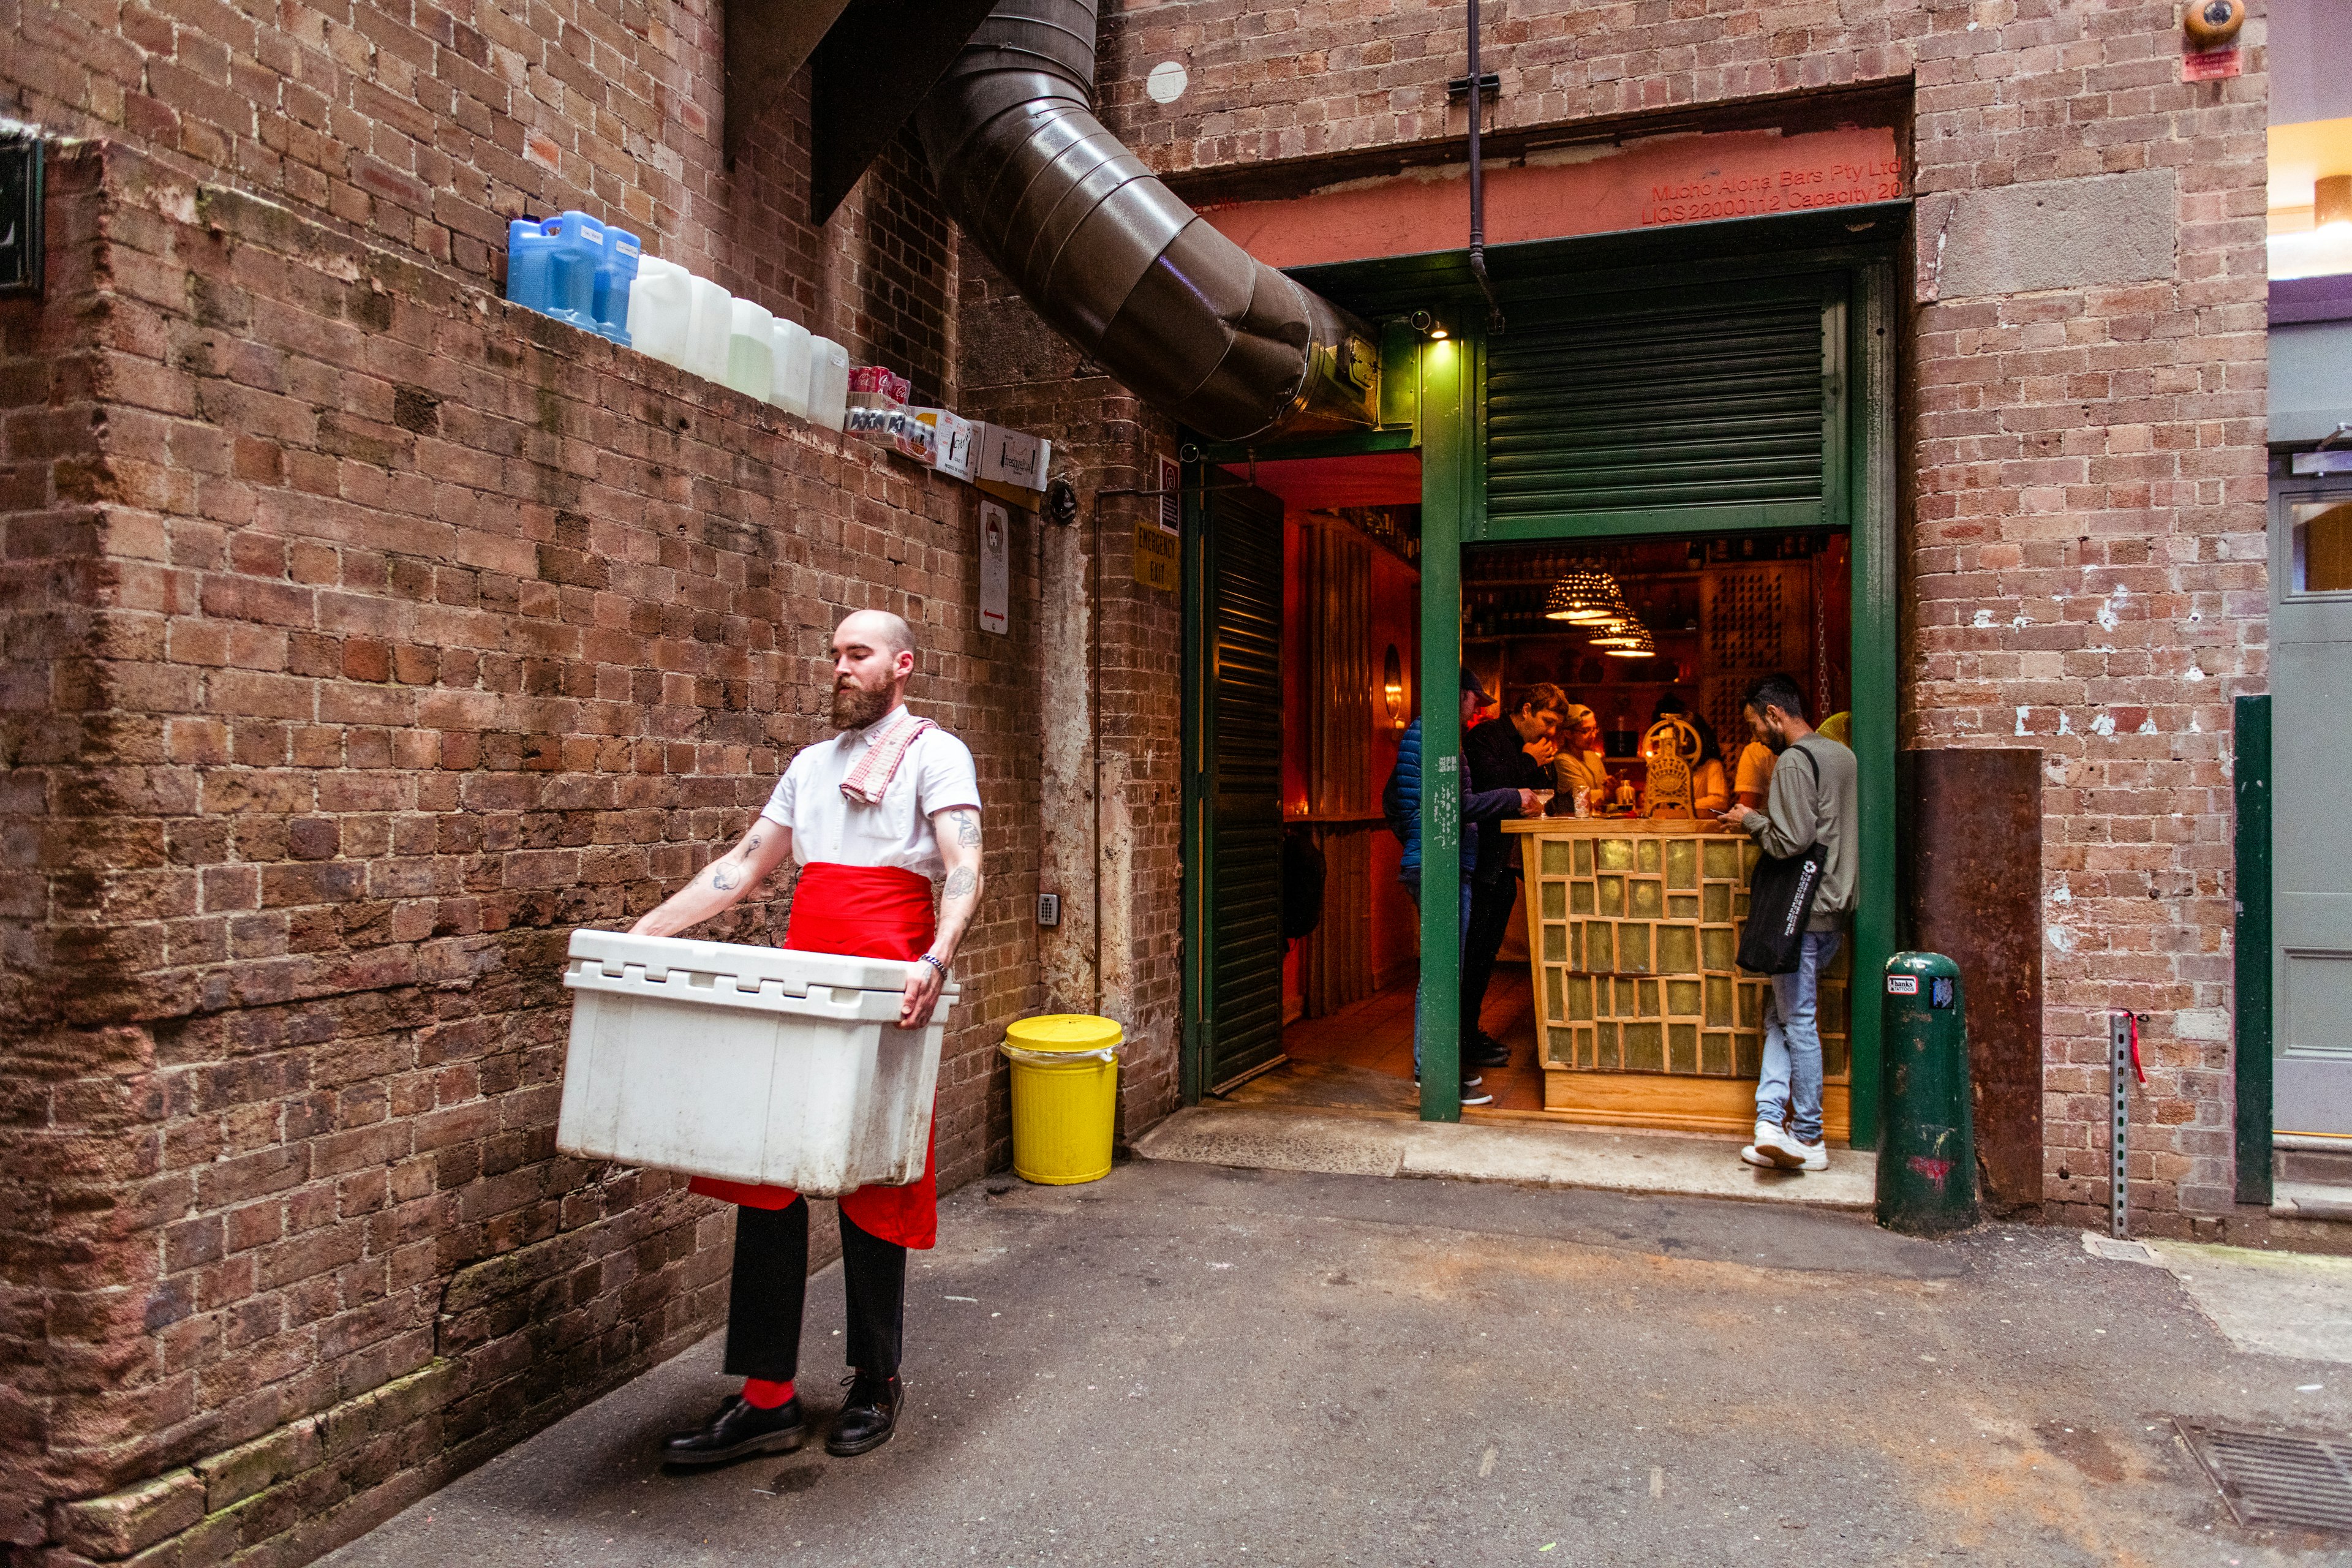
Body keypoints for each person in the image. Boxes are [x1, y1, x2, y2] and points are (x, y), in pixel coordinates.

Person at [631, 609, 985, 1466]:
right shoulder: (810, 767)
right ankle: (766, 1400)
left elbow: (966, 864)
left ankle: (877, 1379)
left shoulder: (937, 754)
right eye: (833, 655)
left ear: (902, 665)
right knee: (767, 1178)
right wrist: (647, 934)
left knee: (874, 1182)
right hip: (805, 983)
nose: (839, 668)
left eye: (856, 655)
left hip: (888, 984)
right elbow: (745, 866)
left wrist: (936, 960)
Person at [1716, 673, 1856, 1173]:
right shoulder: (1842, 755)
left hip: (1802, 912)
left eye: (1756, 724)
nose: (1756, 735)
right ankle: (1770, 1122)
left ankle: (1811, 1137)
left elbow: (1789, 840)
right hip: (1833, 911)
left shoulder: (1796, 761)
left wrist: (1746, 820)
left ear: (1775, 714)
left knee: (1797, 1021)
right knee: (1783, 1016)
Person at [1382, 668, 1536, 1107]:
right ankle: (1434, 1074)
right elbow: (1453, 804)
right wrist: (1513, 797)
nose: (1478, 709)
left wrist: (1412, 841)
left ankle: (1434, 1066)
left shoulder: (1426, 734)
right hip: (1441, 865)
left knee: (1444, 970)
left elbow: (1399, 803)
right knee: (1444, 973)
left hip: (1435, 861)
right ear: (1463, 696)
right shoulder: (1437, 736)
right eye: (1475, 700)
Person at [1461, 683, 1567, 1066]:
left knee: (1485, 956)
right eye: (1547, 721)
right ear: (1526, 710)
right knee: (1473, 955)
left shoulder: (1533, 747)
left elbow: (1543, 793)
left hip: (1507, 866)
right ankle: (1462, 1039)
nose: (1551, 732)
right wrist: (1527, 761)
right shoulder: (1485, 736)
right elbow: (1489, 793)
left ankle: (1469, 1034)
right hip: (1482, 863)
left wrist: (1538, 764)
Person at [1651, 695, 1730, 816]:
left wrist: (1685, 804)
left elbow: (1719, 802)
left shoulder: (1712, 767)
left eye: (1679, 736)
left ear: (1692, 739)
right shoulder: (1674, 768)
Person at [1549, 703, 1608, 812]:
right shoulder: (1563, 760)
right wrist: (1603, 793)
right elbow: (1584, 798)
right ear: (1568, 733)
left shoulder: (1593, 756)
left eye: (1595, 729)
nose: (1593, 735)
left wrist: (1611, 789)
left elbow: (1603, 799)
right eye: (1585, 731)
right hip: (1575, 825)